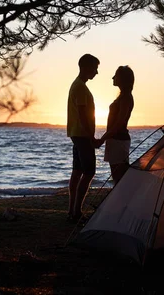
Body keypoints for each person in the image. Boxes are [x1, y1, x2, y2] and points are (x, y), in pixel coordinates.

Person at [66, 54, 101, 221]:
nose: (96, 72)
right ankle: (76, 211)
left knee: (77, 171)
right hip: (81, 134)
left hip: (76, 134)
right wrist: (91, 136)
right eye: (95, 69)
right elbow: (82, 114)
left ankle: (72, 209)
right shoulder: (80, 87)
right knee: (89, 172)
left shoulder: (78, 85)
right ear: (86, 68)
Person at [99, 66, 134, 185]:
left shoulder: (126, 98)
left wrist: (102, 139)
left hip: (119, 140)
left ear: (123, 79)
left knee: (119, 178)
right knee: (118, 176)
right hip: (115, 139)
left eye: (116, 75)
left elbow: (119, 124)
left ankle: (124, 201)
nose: (113, 77)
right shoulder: (123, 96)